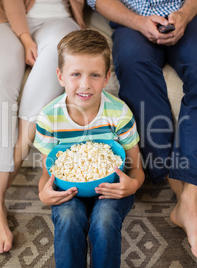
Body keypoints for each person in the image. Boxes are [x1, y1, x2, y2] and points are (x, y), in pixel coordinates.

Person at [86, 0, 197, 260]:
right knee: (133, 71)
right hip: (132, 21)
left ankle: (190, 198)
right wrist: (140, 22)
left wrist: (185, 14)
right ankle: (182, 198)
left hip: (188, 16)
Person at [0, 0, 85, 253]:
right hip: (6, 22)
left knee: (60, 59)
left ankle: (13, 165)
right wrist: (26, 38)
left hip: (59, 22)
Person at [34, 30, 145, 267]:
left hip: (111, 187)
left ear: (106, 78)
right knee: (68, 215)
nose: (85, 85)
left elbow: (137, 169)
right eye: (76, 74)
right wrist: (44, 193)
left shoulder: (119, 113)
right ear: (60, 76)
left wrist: (132, 185)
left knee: (104, 219)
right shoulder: (49, 118)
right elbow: (47, 172)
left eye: (94, 75)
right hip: (69, 188)